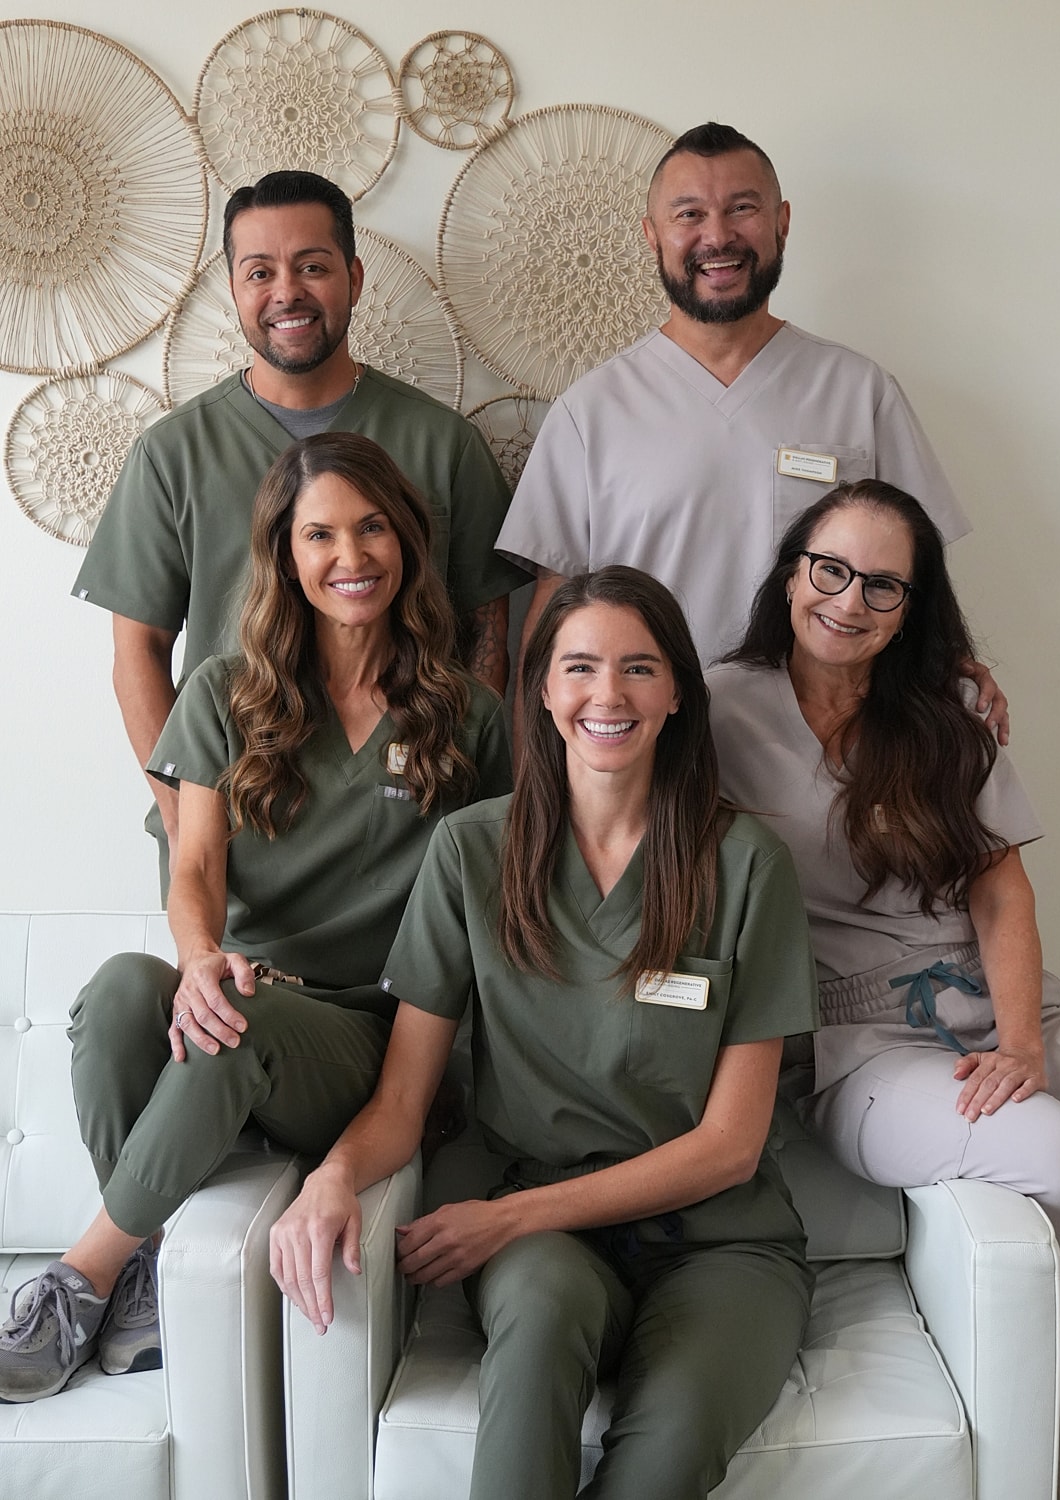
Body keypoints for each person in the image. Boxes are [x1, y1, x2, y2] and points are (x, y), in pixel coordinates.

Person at [270, 566, 818, 1500]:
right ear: (541, 690)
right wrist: (330, 1179)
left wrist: (508, 1217)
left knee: (671, 1448)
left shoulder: (746, 863)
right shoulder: (471, 852)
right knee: (535, 1324)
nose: (608, 695)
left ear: (677, 691)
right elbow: (403, 1100)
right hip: (548, 1243)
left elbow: (729, 1149)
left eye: (639, 668)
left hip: (719, 1244)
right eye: (579, 668)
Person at [0, 433, 511, 1405]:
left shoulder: (468, 718)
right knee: (119, 992)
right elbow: (193, 864)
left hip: (378, 1034)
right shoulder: (226, 693)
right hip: (246, 997)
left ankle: (80, 1280)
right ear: (284, 554)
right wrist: (196, 960)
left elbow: (498, 907)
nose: (350, 557)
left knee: (240, 1017)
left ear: (406, 540)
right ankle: (148, 1274)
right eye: (319, 534)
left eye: (371, 529)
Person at [705, 479, 1060, 1499]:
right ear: (793, 571)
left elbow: (1001, 892)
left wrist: (1022, 1044)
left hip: (1003, 1007)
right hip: (860, 1044)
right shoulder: (713, 706)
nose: (849, 602)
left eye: (883, 586)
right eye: (831, 570)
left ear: (913, 606)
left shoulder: (943, 718)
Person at [73, 169, 526, 890]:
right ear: (234, 287)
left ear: (352, 276)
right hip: (242, 838)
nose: (287, 292)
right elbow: (139, 653)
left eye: (312, 266)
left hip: (408, 840)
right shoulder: (173, 455)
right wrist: (192, 823)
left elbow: (487, 636)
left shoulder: (441, 445)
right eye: (260, 271)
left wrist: (451, 800)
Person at [498, 121, 1007, 737]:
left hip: (828, 747)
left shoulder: (858, 391)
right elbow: (555, 611)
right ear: (651, 235)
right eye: (690, 214)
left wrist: (954, 669)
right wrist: (532, 767)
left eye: (743, 208)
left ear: (781, 222)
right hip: (642, 753)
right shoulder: (590, 411)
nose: (718, 236)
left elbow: (914, 576)